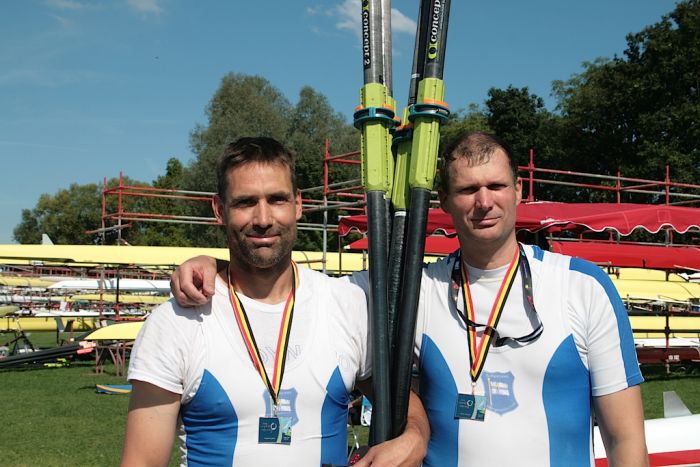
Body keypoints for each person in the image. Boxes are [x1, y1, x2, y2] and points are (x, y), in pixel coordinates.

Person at [170, 132, 648, 466]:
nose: (484, 201)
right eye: (467, 189)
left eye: (496, 186)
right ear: (443, 200)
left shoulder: (584, 288)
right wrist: (213, 265)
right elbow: (276, 275)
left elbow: (625, 437)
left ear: (519, 191)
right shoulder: (412, 291)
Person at [122, 137, 428, 467]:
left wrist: (415, 436)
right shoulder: (175, 322)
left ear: (298, 204)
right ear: (219, 210)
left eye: (277, 199)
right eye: (245, 202)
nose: (264, 218)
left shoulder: (345, 304)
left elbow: (400, 401)